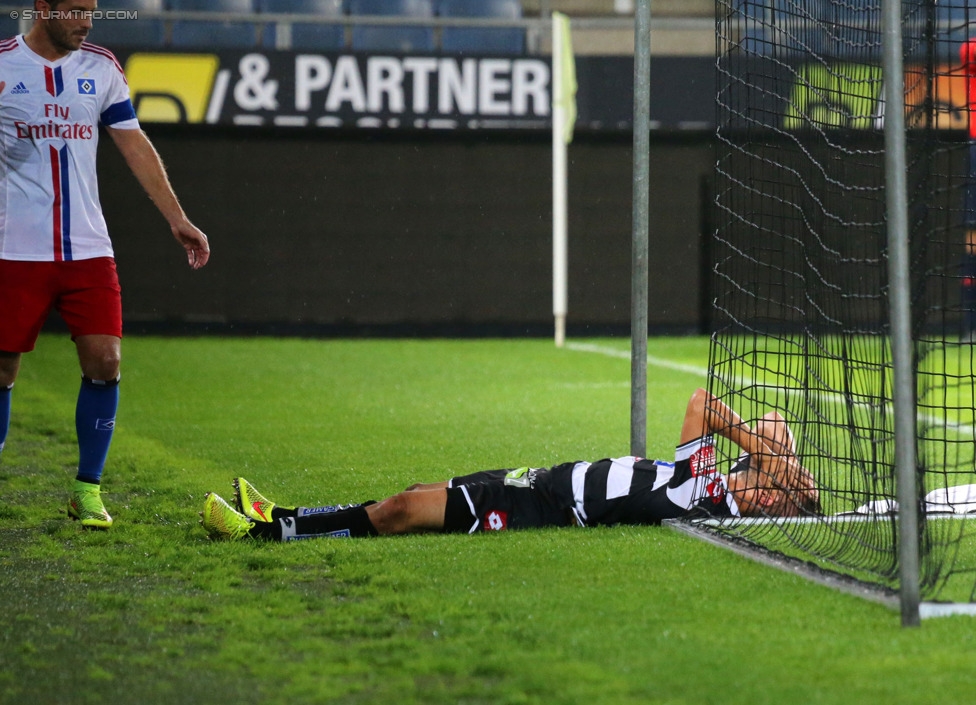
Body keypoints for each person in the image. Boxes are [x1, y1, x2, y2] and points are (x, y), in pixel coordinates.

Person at [0, 0, 211, 529]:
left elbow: (134, 143)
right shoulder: (3, 65)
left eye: (91, 11)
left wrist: (177, 217)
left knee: (106, 361)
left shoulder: (101, 67)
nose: (87, 20)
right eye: (74, 10)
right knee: (2, 369)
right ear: (42, 9)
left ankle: (86, 491)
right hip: (13, 250)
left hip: (88, 250)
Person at [200, 388, 821, 541]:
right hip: (543, 477)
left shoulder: (708, 497)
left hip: (544, 507)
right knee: (418, 491)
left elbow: (699, 404)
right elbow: (766, 427)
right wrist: (773, 460)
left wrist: (774, 475)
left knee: (403, 512)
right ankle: (286, 514)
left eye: (776, 492)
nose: (773, 486)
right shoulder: (718, 477)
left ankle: (263, 532)